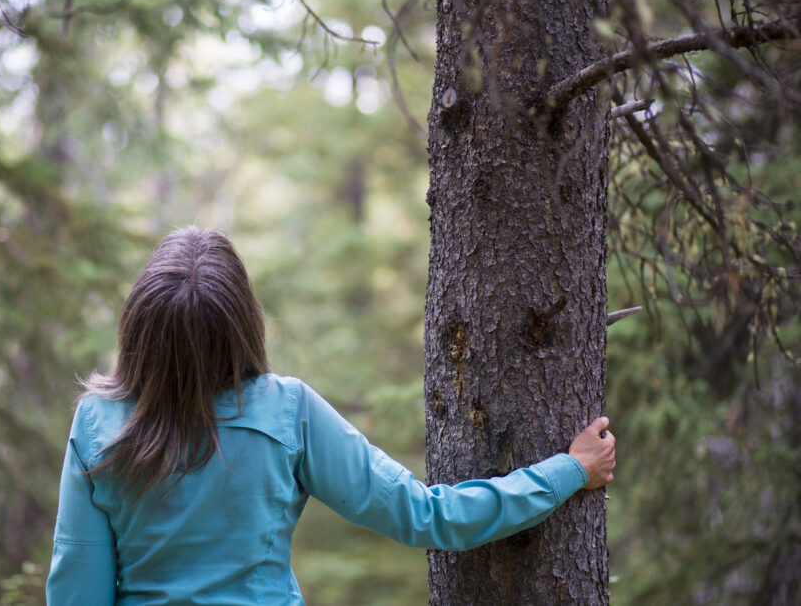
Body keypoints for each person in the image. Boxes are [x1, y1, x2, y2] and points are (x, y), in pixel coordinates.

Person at [46, 227, 616, 605]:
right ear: (244, 323)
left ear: (140, 330)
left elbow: (77, 593)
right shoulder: (285, 411)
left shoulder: (98, 425)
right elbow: (427, 517)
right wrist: (567, 471)